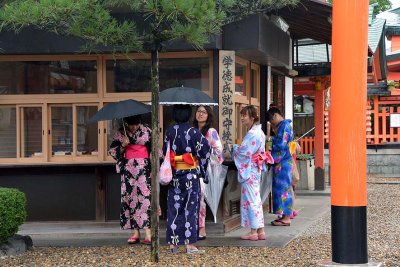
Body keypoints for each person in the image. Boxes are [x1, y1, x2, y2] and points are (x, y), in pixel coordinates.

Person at [163, 105, 211, 254]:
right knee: (190, 209)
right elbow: (206, 150)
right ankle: (190, 245)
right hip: (190, 174)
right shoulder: (194, 132)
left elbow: (165, 152)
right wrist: (202, 169)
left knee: (174, 208)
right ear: (189, 115)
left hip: (175, 174)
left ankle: (173, 244)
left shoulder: (169, 131)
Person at [108, 115, 152, 244]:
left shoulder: (147, 131)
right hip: (128, 170)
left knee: (146, 199)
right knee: (131, 199)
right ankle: (135, 232)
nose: (134, 127)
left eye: (136, 124)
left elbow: (154, 149)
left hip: (144, 168)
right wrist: (123, 145)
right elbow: (112, 151)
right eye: (131, 125)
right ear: (126, 123)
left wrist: (153, 166)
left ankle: (148, 233)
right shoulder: (121, 133)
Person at [229, 105, 266, 241]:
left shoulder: (253, 134)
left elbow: (244, 152)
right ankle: (260, 230)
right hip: (255, 168)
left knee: (251, 200)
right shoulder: (259, 132)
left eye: (245, 116)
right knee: (256, 199)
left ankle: (253, 231)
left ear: (252, 117)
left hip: (250, 169)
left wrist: (234, 148)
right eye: (242, 115)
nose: (242, 118)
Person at [193, 105, 224, 240]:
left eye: (203, 112)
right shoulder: (192, 130)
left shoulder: (211, 132)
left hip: (204, 170)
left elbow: (219, 153)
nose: (200, 114)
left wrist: (205, 151)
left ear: (208, 115)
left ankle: (202, 228)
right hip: (191, 167)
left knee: (200, 200)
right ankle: (193, 227)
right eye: (198, 111)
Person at [266, 107, 295, 226]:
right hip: (283, 161)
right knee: (281, 189)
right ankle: (283, 215)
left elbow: (281, 145)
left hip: (282, 161)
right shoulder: (285, 126)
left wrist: (271, 155)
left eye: (271, 120)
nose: (271, 123)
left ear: (276, 116)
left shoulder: (284, 126)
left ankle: (287, 217)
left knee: (284, 189)